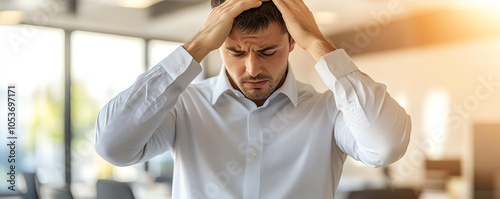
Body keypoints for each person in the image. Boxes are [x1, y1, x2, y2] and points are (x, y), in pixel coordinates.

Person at [94, 0, 412, 198]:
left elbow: (386, 145)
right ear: (219, 46)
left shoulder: (328, 111)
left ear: (291, 43)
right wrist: (197, 45)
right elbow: (112, 145)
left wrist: (316, 41)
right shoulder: (186, 106)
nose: (252, 67)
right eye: (235, 51)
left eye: (267, 51)